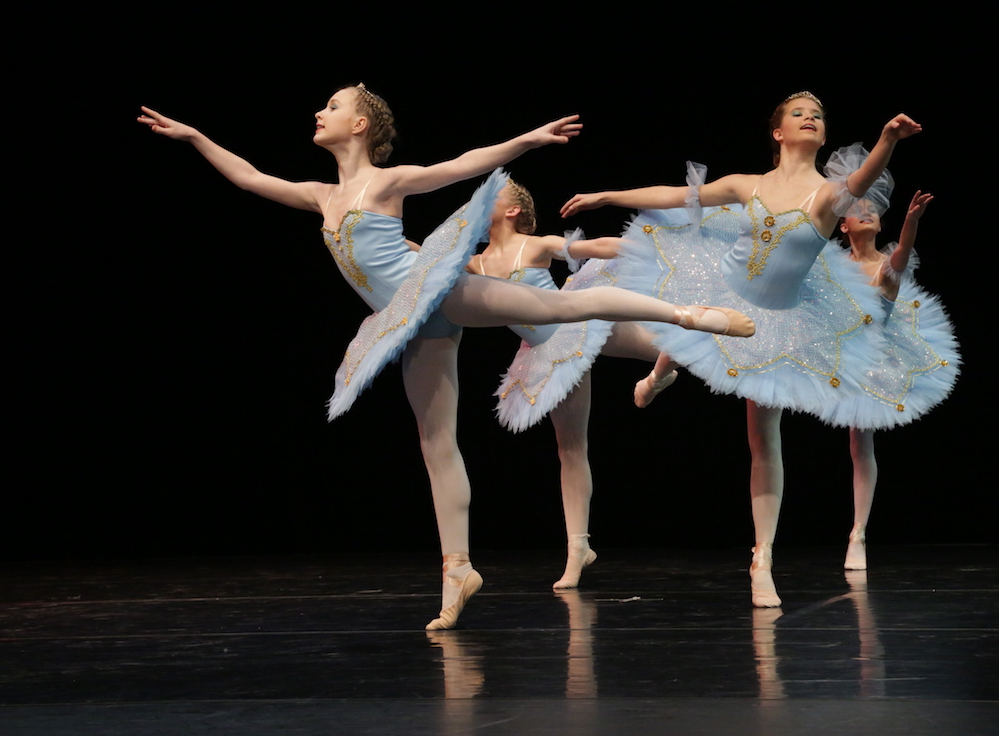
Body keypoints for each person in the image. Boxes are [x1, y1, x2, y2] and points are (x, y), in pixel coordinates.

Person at [138, 84, 754, 629]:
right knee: (436, 443)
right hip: (408, 322)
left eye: (332, 106)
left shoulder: (385, 181)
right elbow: (248, 177)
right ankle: (456, 568)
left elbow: (458, 167)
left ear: (359, 126)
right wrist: (195, 136)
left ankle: (685, 317)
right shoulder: (320, 194)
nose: (318, 112)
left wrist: (528, 141)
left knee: (564, 310)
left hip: (431, 289)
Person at [560, 92, 921, 607]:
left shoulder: (828, 195)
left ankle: (762, 558)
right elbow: (675, 195)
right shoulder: (746, 185)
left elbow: (860, 181)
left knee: (763, 438)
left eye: (818, 115)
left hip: (776, 320)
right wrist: (607, 196)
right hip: (721, 285)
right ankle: (662, 372)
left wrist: (888, 140)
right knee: (679, 302)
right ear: (778, 132)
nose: (810, 119)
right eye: (799, 113)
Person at [467, 180, 665, 589]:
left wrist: (641, 251)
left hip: (578, 322)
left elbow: (590, 249)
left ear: (512, 211)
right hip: (546, 353)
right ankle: (578, 549)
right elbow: (428, 265)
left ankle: (659, 376)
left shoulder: (533, 245)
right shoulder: (476, 264)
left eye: (495, 195)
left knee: (671, 342)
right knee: (570, 448)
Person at [821, 165, 960, 570]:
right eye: (856, 208)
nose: (867, 212)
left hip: (879, 356)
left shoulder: (887, 264)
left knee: (860, 443)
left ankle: (858, 533)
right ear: (842, 225)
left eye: (873, 208)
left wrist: (911, 223)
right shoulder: (830, 262)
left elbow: (900, 256)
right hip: (836, 349)